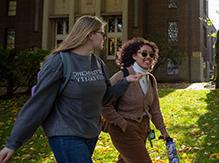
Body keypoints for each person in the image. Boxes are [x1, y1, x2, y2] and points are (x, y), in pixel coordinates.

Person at [0, 15, 142, 163]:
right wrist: (13, 143)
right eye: (102, 33)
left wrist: (125, 82)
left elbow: (104, 98)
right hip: (65, 133)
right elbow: (39, 103)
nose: (105, 37)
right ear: (90, 35)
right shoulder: (58, 62)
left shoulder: (97, 63)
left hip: (90, 132)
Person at [102, 37, 171, 163]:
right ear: (134, 55)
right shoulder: (121, 76)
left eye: (151, 54)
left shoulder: (150, 79)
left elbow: (155, 109)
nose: (148, 57)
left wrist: (163, 131)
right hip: (123, 129)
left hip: (143, 129)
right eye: (144, 53)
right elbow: (104, 103)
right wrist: (122, 123)